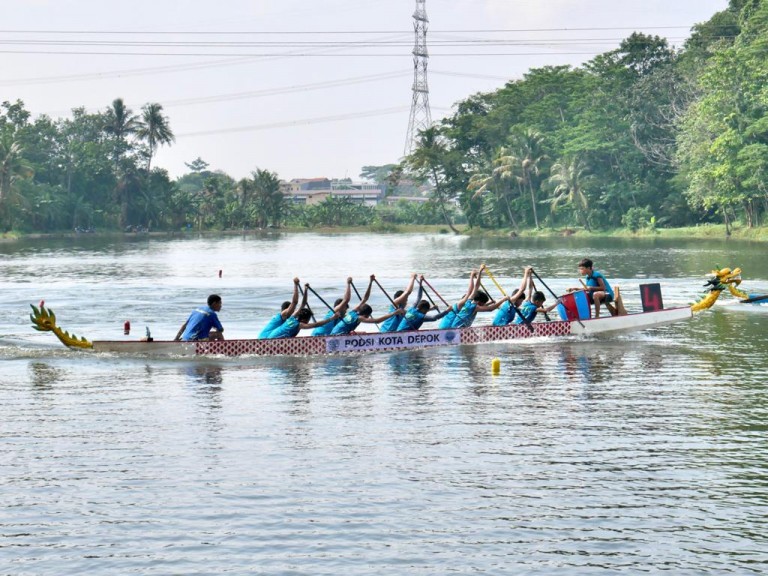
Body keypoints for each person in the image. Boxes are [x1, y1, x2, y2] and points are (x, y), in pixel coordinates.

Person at [330, 275, 403, 335]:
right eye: (368, 316)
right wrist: (394, 313)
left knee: (362, 333)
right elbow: (377, 321)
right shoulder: (359, 318)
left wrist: (370, 282)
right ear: (366, 315)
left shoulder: (353, 311)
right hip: (338, 335)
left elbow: (365, 298)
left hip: (334, 333)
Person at [262, 284, 339, 338]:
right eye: (308, 320)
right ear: (305, 320)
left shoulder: (292, 317)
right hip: (272, 342)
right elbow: (316, 325)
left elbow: (303, 304)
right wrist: (331, 318)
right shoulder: (300, 325)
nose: (308, 322)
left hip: (270, 339)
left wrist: (305, 290)